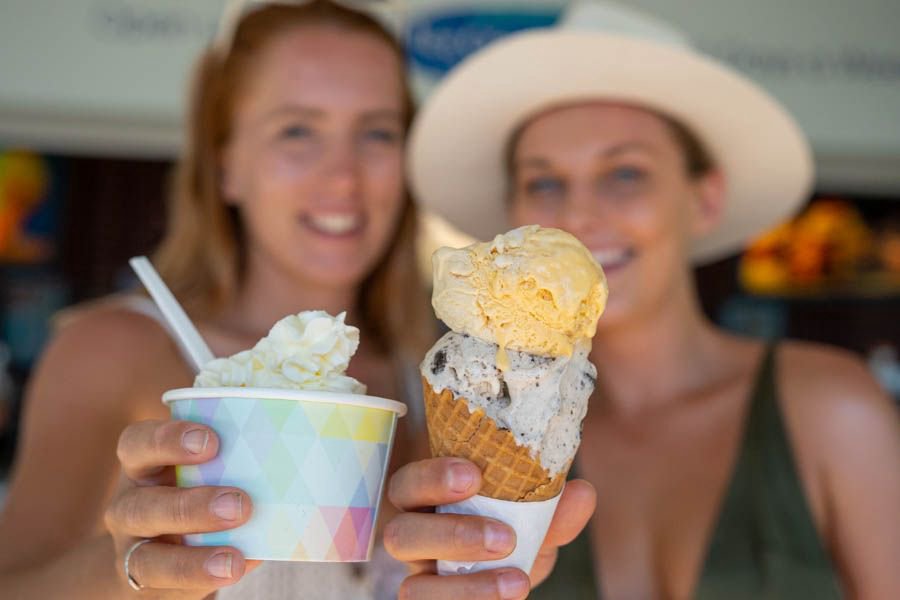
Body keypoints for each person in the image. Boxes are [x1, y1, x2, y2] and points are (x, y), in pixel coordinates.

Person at [0, 2, 592, 598]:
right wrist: (128, 571)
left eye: (378, 132)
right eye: (298, 130)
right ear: (226, 163)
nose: (343, 176)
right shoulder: (114, 350)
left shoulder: (439, 378)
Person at [402, 1, 900, 598]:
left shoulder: (834, 409)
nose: (580, 214)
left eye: (625, 173)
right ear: (513, 214)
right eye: (545, 182)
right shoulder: (463, 441)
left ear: (705, 198)